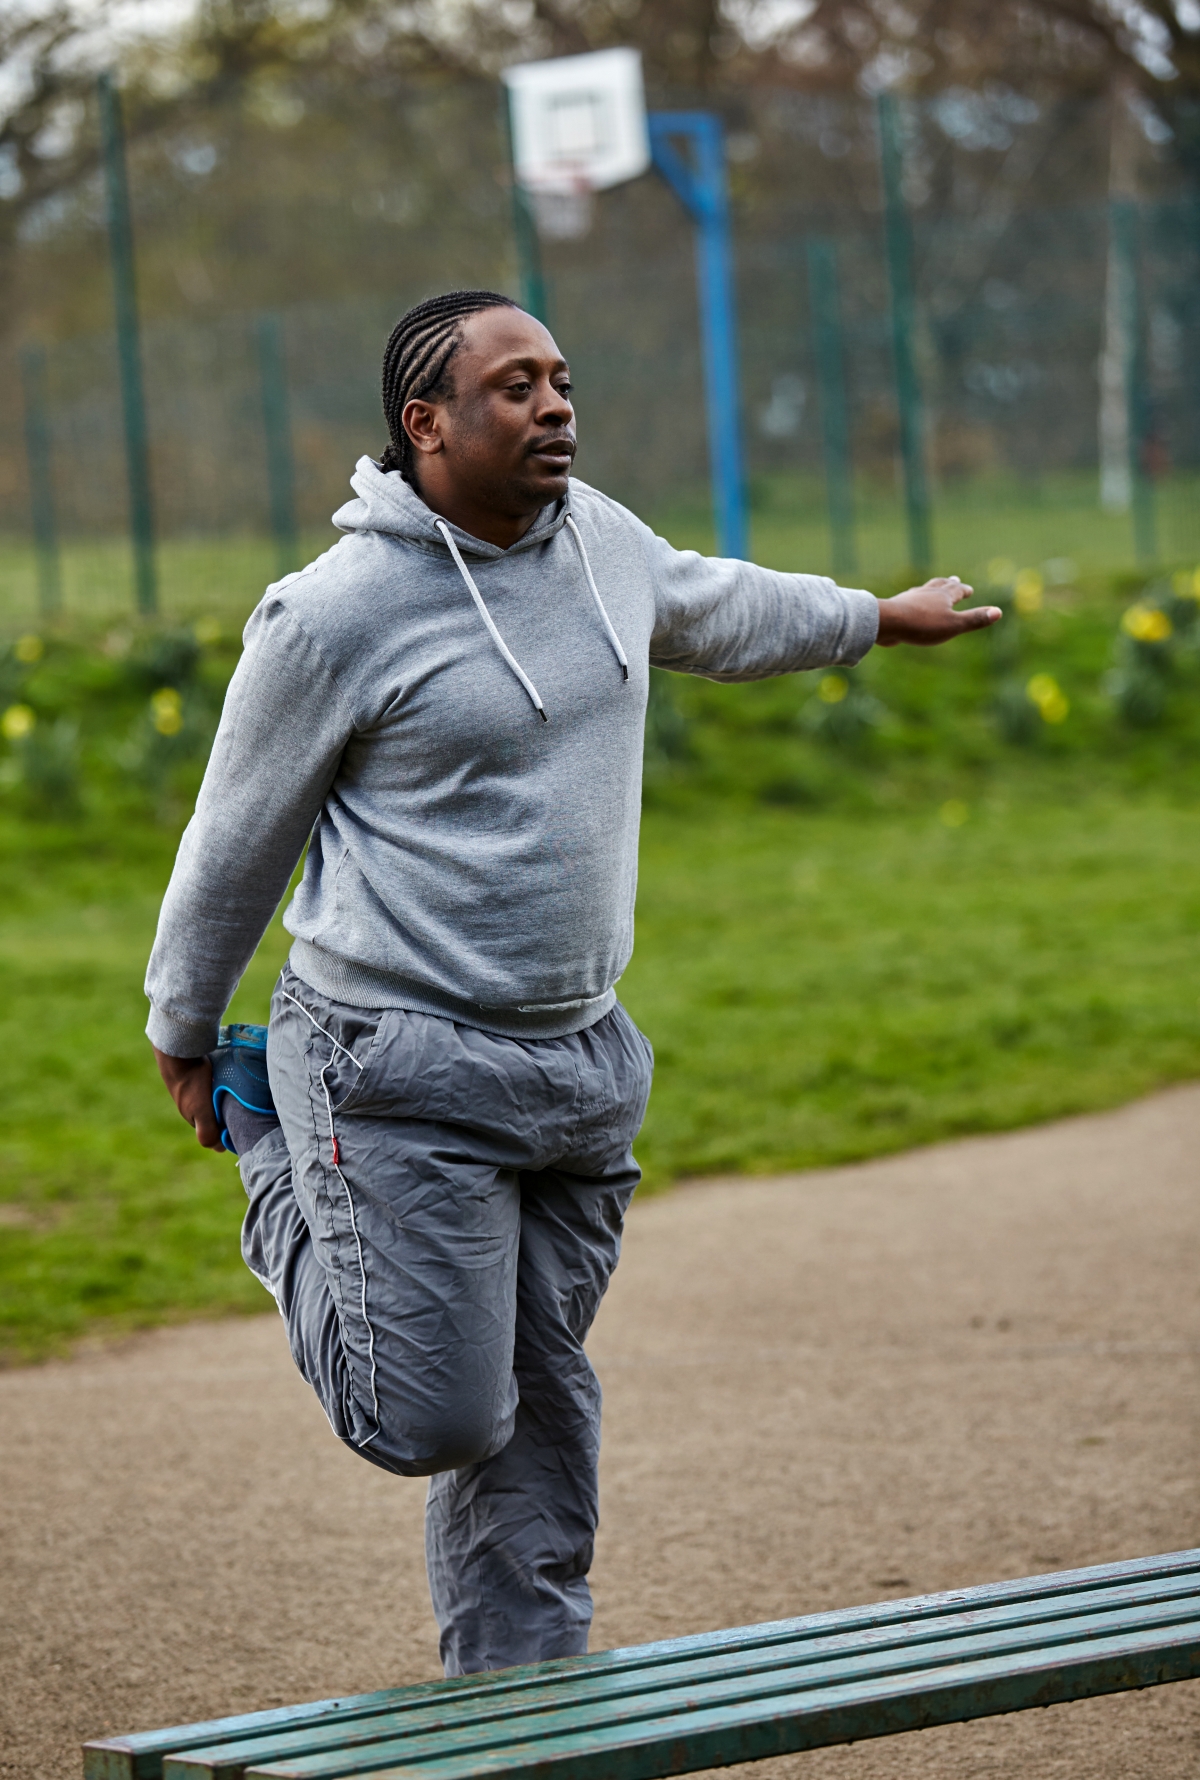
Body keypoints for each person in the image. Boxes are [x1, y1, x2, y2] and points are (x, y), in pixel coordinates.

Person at [146, 289, 999, 1678]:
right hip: (391, 1061)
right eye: (513, 387)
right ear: (425, 425)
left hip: (578, 1067)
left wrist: (874, 621)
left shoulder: (598, 541)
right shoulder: (332, 616)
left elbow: (715, 605)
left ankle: (519, 1696)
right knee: (427, 1418)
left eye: (560, 380)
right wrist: (186, 1030)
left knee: (535, 1401)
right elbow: (233, 842)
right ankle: (268, 1140)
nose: (555, 407)